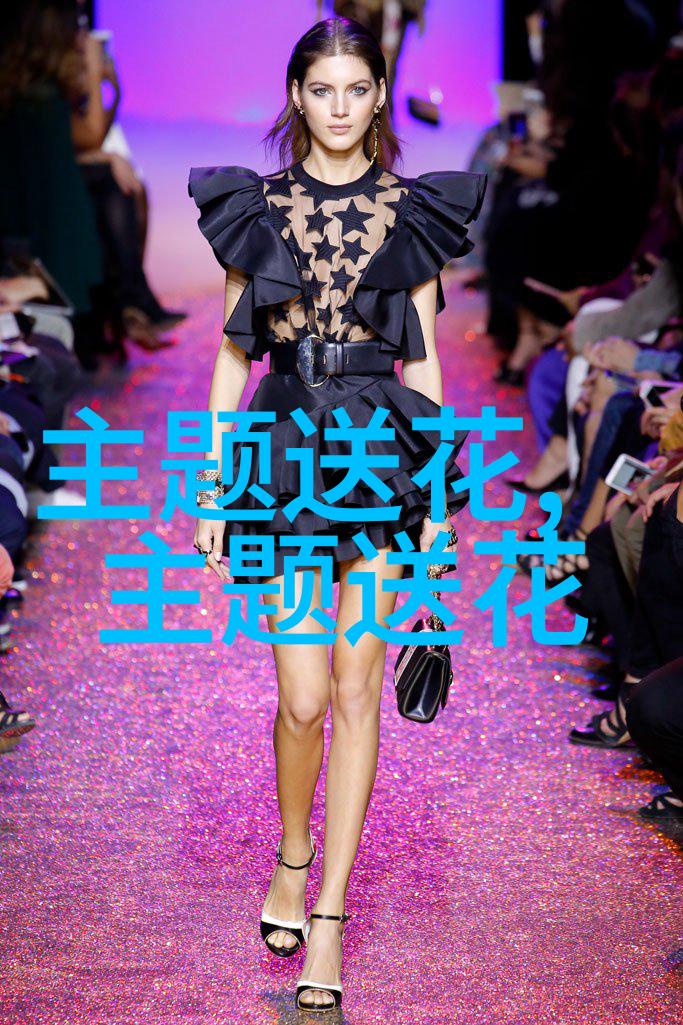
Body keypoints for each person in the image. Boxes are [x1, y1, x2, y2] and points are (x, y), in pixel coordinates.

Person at [187, 17, 485, 1012]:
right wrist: (213, 486)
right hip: (282, 457)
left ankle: (330, 912)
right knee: (303, 697)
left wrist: (435, 503)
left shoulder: (411, 210)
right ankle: (291, 850)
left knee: (357, 689)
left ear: (378, 94)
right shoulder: (255, 206)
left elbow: (425, 365)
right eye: (323, 90)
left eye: (358, 89)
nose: (341, 107)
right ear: (296, 96)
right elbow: (234, 353)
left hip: (380, 454)